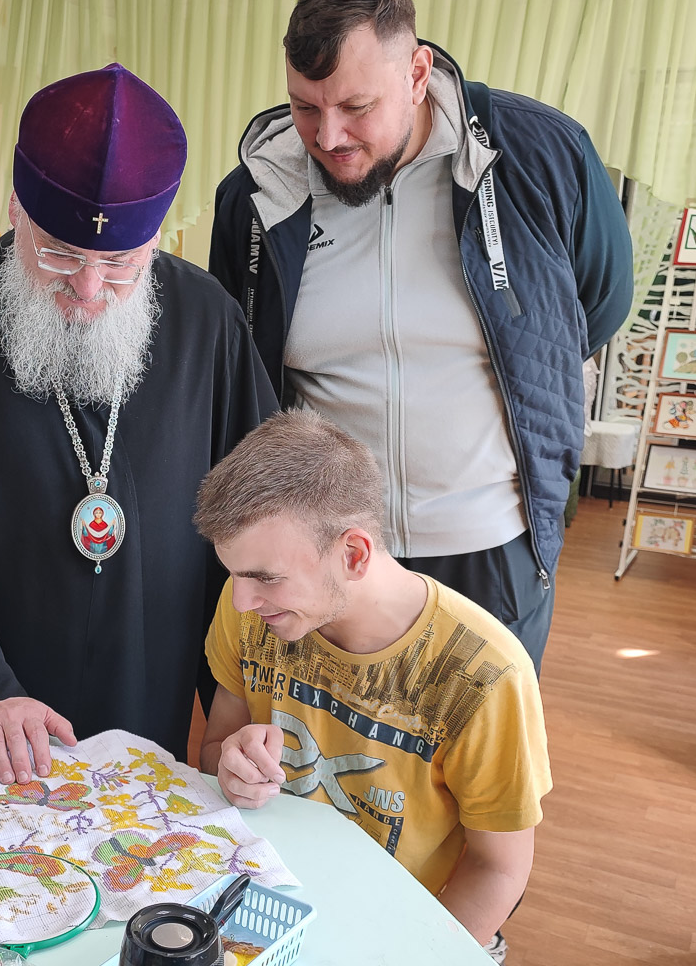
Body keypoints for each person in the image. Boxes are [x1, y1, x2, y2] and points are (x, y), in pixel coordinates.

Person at [208, 0, 632, 674]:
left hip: (490, 545)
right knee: (329, 743)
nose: (329, 135)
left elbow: (595, 303)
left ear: (416, 72)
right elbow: (244, 360)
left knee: (475, 740)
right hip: (330, 550)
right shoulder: (257, 196)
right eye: (306, 107)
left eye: (356, 106)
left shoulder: (540, 155)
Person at [0, 63, 276, 786]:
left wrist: (237, 710)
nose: (87, 289)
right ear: (17, 210)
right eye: (58, 253)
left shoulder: (207, 324)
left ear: (156, 239)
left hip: (149, 689)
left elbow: (260, 518)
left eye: (119, 262)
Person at [194, 410, 550, 963]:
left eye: (266, 577)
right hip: (266, 908)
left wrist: (425, 954)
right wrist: (230, 767)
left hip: (405, 929)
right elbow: (215, 748)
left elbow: (498, 868)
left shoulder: (486, 674)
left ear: (354, 554)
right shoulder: (250, 610)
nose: (242, 600)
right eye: (234, 574)